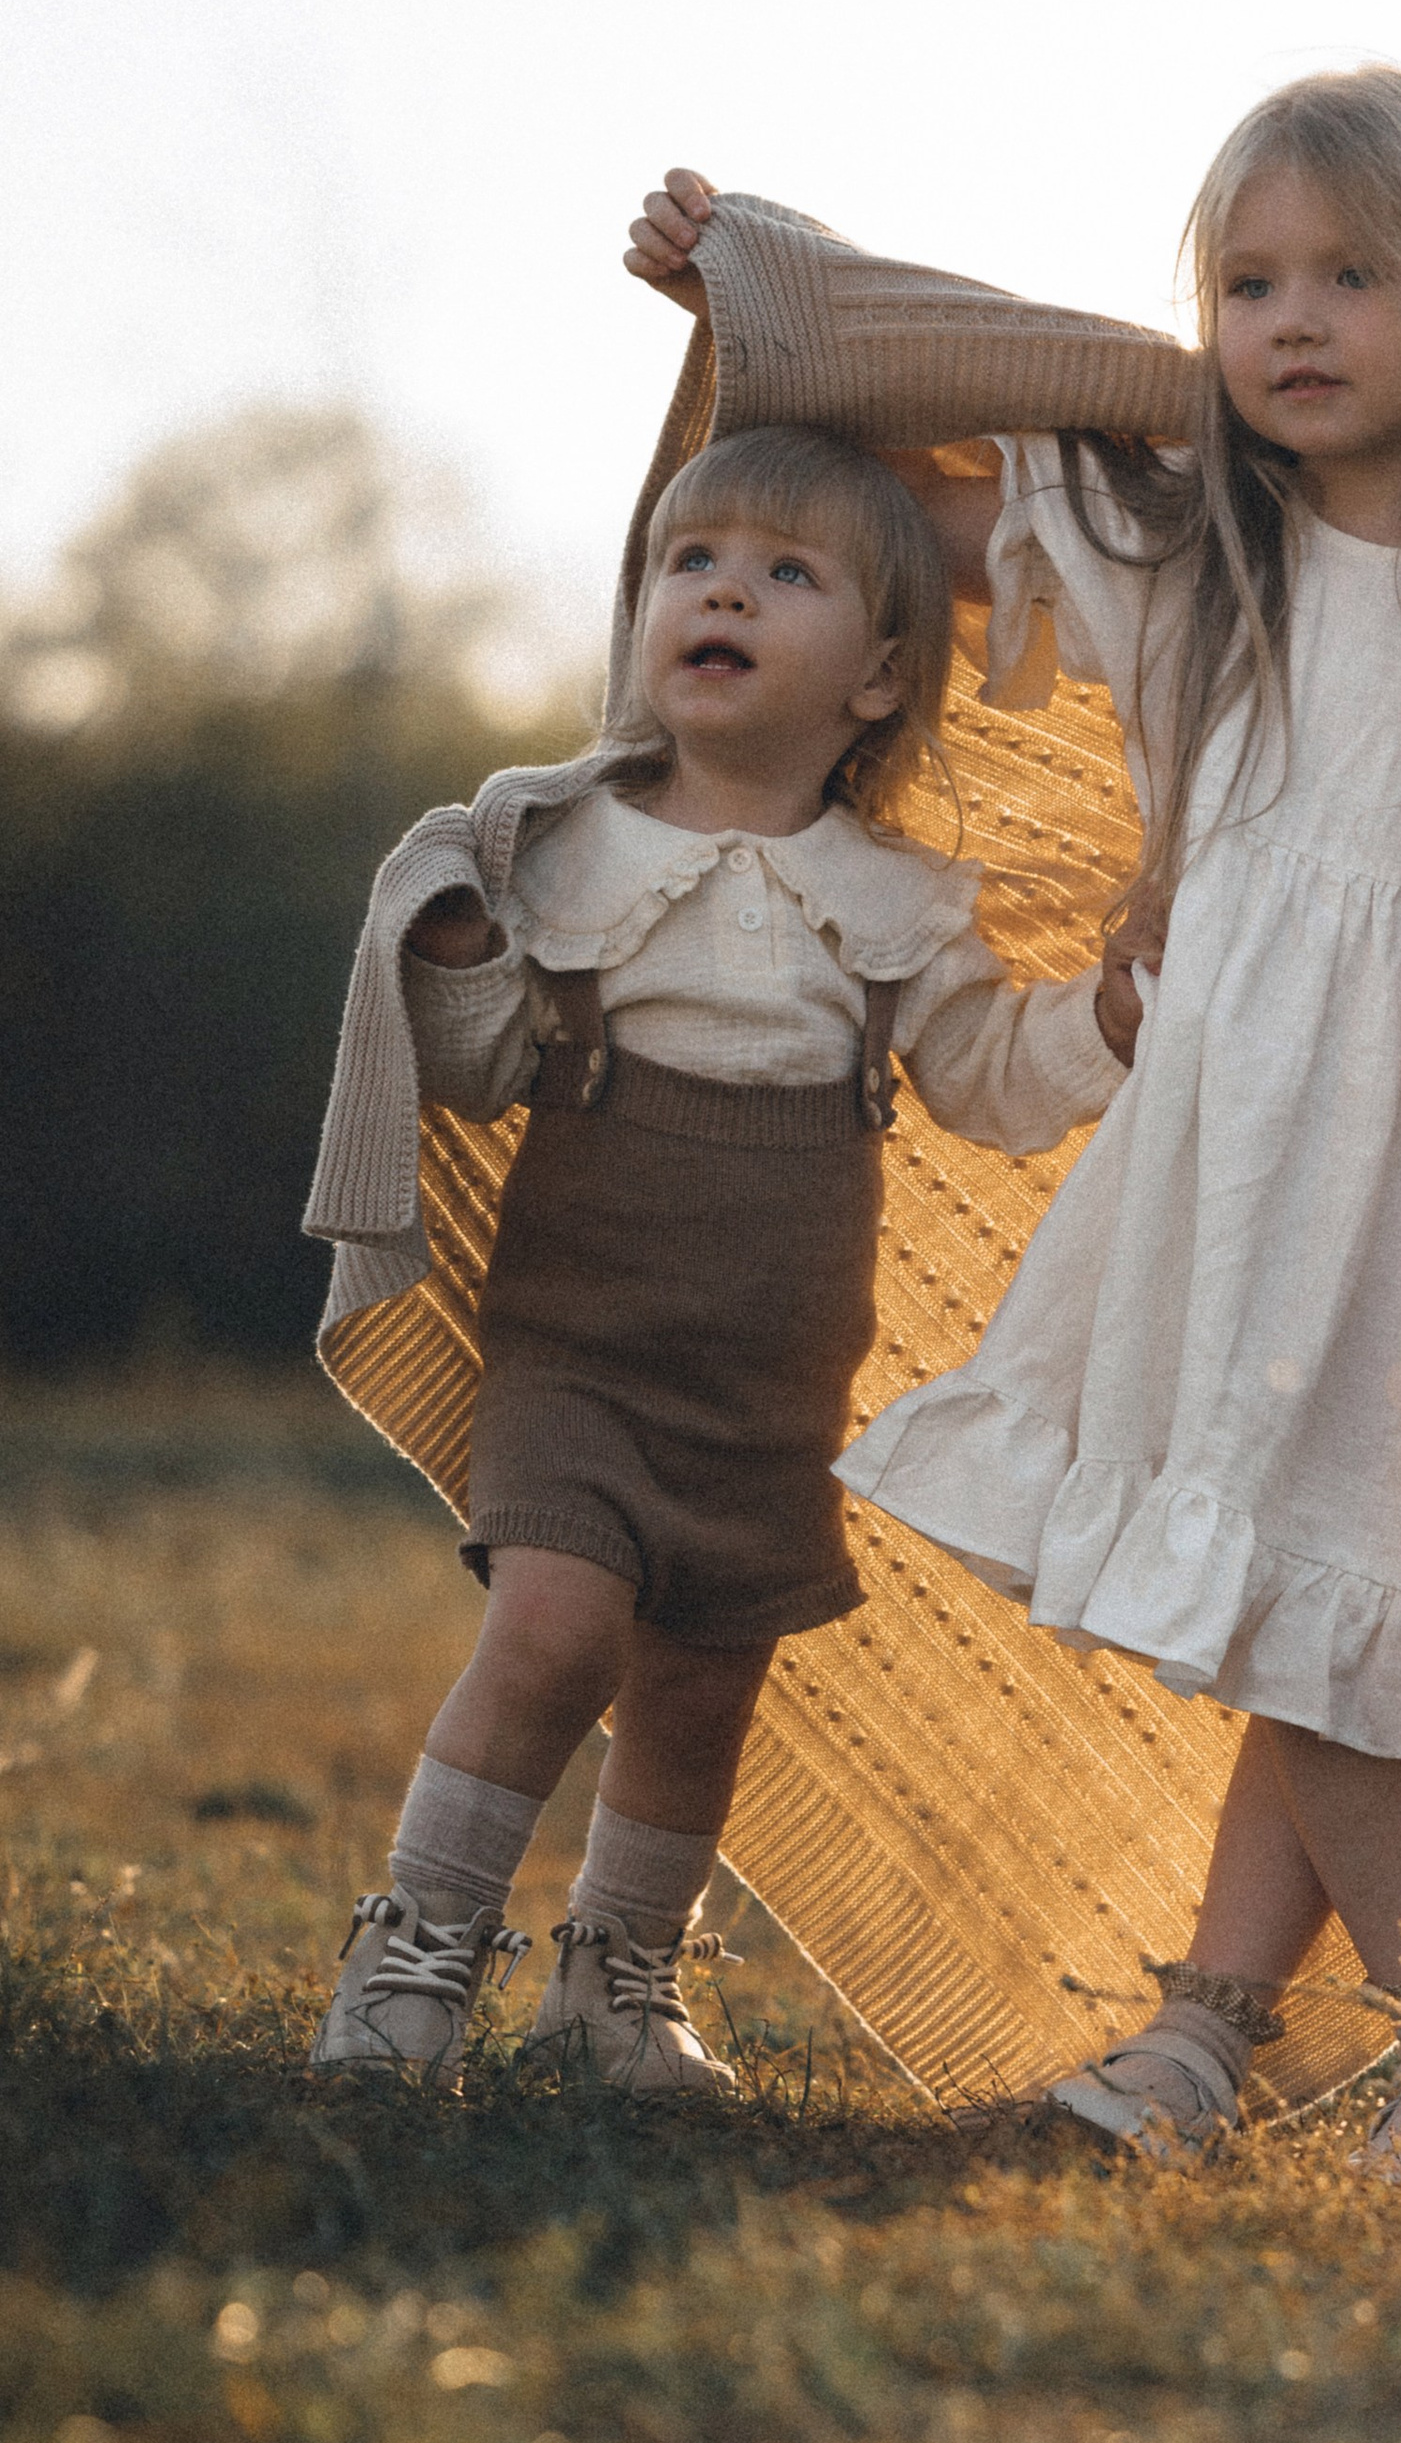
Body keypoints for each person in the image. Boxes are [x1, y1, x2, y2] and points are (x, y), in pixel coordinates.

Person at [626, 70, 1401, 2172]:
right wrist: (760, 303)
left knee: (1314, 1587)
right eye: (1246, 282)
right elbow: (892, 509)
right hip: (1240, 1172)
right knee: (1296, 1587)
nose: (1291, 320)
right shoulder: (1189, 545)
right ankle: (1213, 2039)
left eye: (1349, 274)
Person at [305, 425, 1139, 2089]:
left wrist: (1111, 1014)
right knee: (553, 1632)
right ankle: (416, 1950)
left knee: (698, 1692)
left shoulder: (896, 900)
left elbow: (982, 1084)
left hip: (769, 1386)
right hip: (580, 1353)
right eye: (693, 563)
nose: (725, 591)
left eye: (786, 574)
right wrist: (459, 955)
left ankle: (618, 1989)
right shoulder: (563, 852)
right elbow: (474, 1077)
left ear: (881, 678)